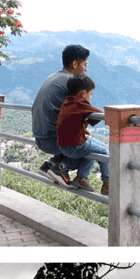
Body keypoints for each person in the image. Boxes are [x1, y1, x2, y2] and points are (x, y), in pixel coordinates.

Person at [30, 44, 91, 189]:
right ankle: (69, 171)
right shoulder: (73, 82)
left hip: (40, 137)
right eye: (85, 65)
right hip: (52, 140)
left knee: (81, 141)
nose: (86, 69)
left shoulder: (54, 76)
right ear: (75, 64)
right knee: (92, 150)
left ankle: (52, 164)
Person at [56, 74, 109, 196]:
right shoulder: (80, 104)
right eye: (91, 94)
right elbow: (99, 114)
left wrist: (83, 128)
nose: (90, 97)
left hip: (64, 145)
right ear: (83, 93)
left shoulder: (67, 102)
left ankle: (80, 177)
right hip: (75, 146)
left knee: (97, 149)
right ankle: (107, 183)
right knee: (104, 152)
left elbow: (71, 122)